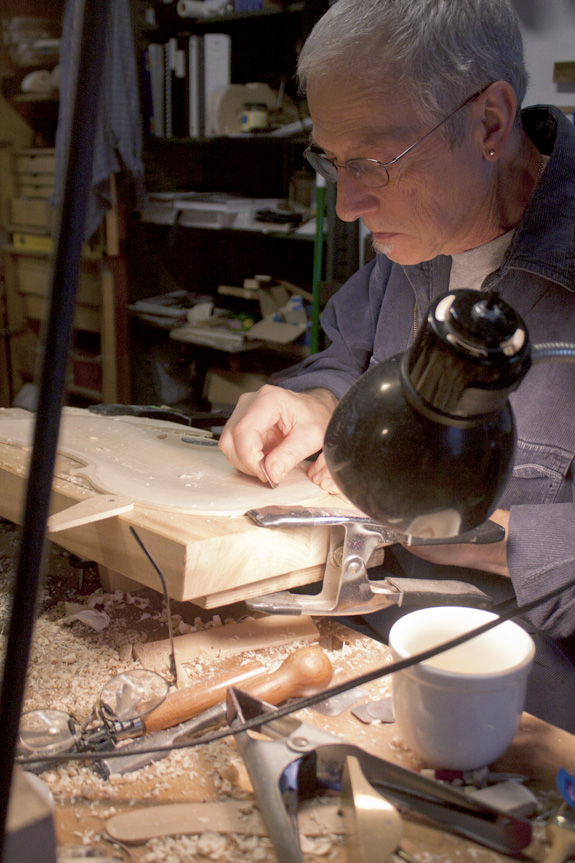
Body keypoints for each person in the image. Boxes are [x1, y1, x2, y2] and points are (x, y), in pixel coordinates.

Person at [219, 0, 575, 731]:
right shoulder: (412, 242)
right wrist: (319, 399)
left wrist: (492, 541)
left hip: (530, 718)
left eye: (372, 163)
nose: (346, 204)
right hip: (363, 666)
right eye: (330, 160)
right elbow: (346, 355)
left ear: (489, 123)